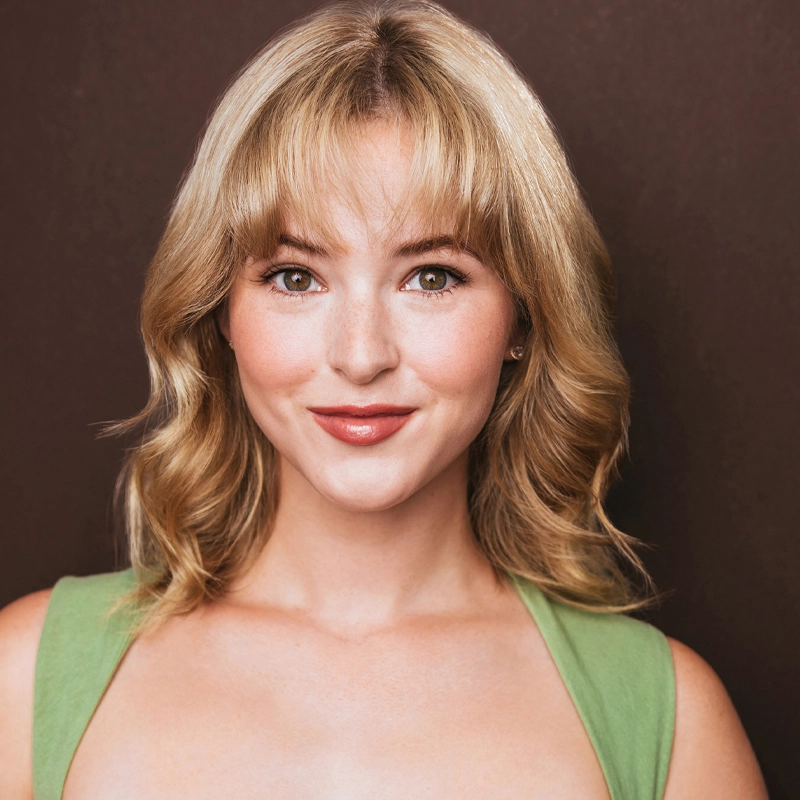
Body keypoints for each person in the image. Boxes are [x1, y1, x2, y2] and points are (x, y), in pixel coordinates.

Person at [0, 1, 767, 797]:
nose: (361, 355)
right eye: (294, 277)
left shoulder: (669, 723)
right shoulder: (23, 684)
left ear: (522, 313)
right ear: (220, 312)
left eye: (432, 276)